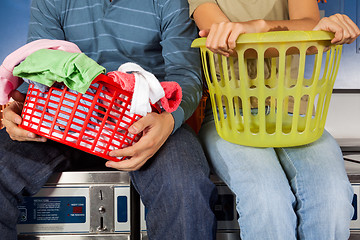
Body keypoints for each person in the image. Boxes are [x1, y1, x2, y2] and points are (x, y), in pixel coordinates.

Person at [0, 0, 218, 239]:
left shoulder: (169, 2)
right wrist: (22, 105)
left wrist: (169, 121)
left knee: (184, 187)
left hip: (147, 121)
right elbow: (40, 70)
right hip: (62, 120)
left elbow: (185, 75)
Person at [188, 0, 360, 239]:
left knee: (332, 197)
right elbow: (228, 42)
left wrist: (258, 27)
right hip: (231, 114)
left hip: (292, 110)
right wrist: (301, 32)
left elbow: (312, 26)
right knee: (267, 199)